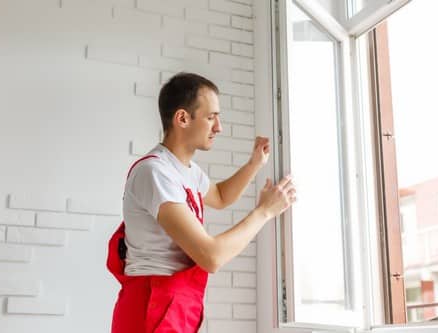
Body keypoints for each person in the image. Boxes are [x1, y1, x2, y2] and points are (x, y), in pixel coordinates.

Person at [107, 72, 296, 333]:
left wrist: (254, 164)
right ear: (182, 118)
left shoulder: (185, 170)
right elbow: (211, 256)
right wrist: (264, 212)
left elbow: (219, 196)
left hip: (173, 304)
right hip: (150, 306)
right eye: (211, 117)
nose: (219, 127)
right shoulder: (155, 172)